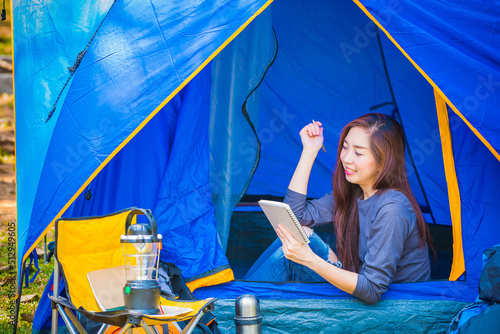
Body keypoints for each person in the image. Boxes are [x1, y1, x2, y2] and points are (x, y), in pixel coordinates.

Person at [244, 113, 433, 304]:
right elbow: (293, 219)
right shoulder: (354, 193)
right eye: (345, 147)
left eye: (358, 153)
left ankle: (234, 308)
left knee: (292, 256)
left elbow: (373, 290)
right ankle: (237, 305)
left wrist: (309, 259)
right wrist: (309, 152)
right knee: (298, 235)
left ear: (383, 162)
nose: (346, 158)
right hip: (361, 290)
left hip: (397, 309)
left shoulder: (393, 208)